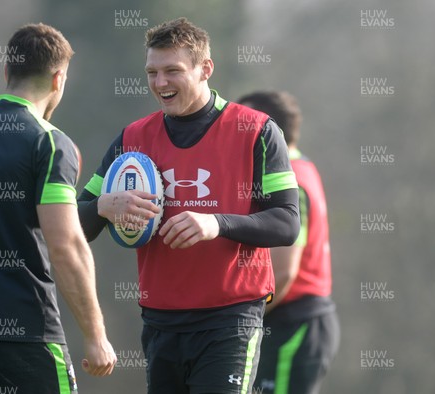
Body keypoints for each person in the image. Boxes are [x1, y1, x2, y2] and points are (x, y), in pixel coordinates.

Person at [78, 18, 300, 394]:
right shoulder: (132, 138)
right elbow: (75, 225)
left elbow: (286, 223)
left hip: (230, 320)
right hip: (160, 322)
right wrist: (104, 205)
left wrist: (216, 223)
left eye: (172, 71)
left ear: (205, 69)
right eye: (152, 72)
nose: (160, 82)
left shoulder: (258, 131)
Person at [0, 23, 116, 393]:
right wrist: (96, 335)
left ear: (6, 72)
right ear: (59, 79)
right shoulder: (48, 142)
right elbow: (66, 245)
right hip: (21, 331)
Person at [237, 91, 340, 394]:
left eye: (242, 125)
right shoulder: (302, 165)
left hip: (293, 322)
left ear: (269, 131)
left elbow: (283, 272)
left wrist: (238, 319)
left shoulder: (290, 177)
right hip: (293, 321)